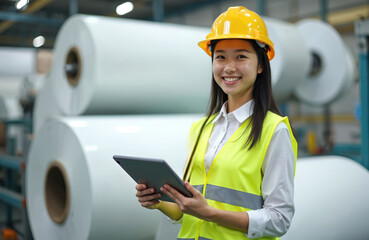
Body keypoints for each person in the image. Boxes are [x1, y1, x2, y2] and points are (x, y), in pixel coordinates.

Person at [135, 6, 297, 240]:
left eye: (241, 56)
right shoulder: (200, 129)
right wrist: (158, 203)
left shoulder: (274, 130)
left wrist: (210, 213)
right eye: (220, 57)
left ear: (261, 65)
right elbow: (187, 210)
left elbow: (279, 220)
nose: (229, 67)